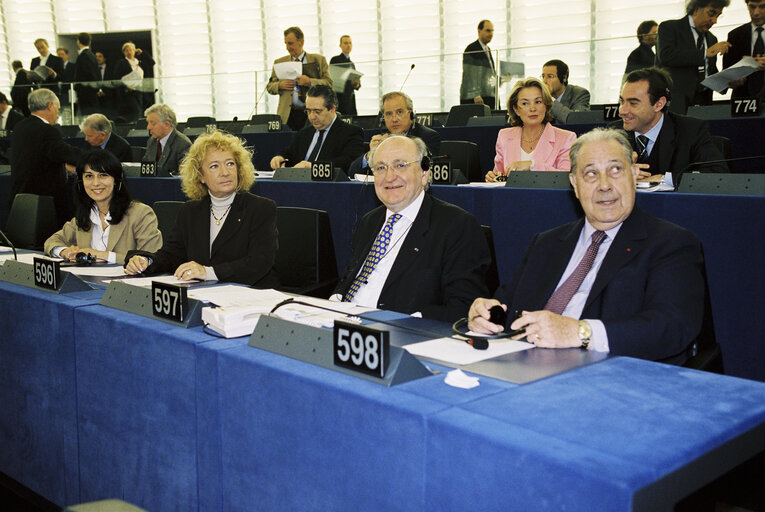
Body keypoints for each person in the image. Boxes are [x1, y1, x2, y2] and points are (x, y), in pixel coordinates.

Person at [468, 128, 705, 365]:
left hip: (611, 375)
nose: (604, 185)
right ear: (574, 183)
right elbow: (507, 303)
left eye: (615, 170)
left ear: (634, 175)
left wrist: (579, 332)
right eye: (591, 173)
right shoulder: (547, 242)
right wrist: (485, 312)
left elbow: (672, 326)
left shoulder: (671, 243)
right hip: (526, 366)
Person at [333, 135, 490, 323]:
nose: (389, 177)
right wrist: (333, 302)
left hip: (400, 333)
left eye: (400, 165)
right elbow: (351, 279)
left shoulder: (457, 226)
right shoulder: (369, 221)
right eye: (381, 168)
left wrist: (406, 323)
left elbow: (465, 306)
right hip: (342, 323)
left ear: (424, 174)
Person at [125, 131, 279, 287]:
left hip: (251, 293)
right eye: (214, 166)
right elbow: (172, 255)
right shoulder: (190, 211)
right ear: (200, 176)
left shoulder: (261, 208)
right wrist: (146, 261)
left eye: (230, 163)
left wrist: (208, 272)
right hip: (204, 292)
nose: (225, 172)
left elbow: (259, 262)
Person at [44, 149, 162, 264]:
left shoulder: (140, 214)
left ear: (116, 180)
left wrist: (104, 255)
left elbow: (151, 258)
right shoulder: (86, 214)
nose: (95, 183)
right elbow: (52, 241)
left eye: (103, 175)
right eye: (89, 176)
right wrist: (65, 251)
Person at [615, 67, 727, 177]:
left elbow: (718, 173)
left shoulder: (691, 131)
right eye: (622, 101)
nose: (622, 110)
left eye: (633, 103)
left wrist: (665, 180)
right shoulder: (613, 134)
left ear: (659, 104)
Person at [9, 88, 81, 228]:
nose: (57, 114)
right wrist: (94, 158)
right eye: (58, 109)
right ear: (49, 105)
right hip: (44, 204)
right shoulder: (47, 130)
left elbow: (38, 155)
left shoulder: (19, 127)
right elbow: (64, 152)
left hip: (21, 200)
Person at [486, 77, 576, 182]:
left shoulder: (566, 138)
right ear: (516, 109)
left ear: (546, 106)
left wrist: (532, 165)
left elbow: (565, 178)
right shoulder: (504, 136)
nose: (532, 108)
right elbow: (500, 174)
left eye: (538, 102)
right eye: (525, 103)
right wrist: (493, 177)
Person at [656, 0, 731, 114]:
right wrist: (704, 53)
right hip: (675, 102)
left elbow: (709, 71)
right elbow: (666, 56)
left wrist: (727, 83)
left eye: (718, 16)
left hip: (703, 102)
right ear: (696, 9)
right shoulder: (670, 28)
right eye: (711, 13)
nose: (714, 21)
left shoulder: (711, 39)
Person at [269, 85, 364, 173]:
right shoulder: (304, 133)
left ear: (332, 109)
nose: (312, 117)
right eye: (308, 111)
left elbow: (349, 162)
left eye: (317, 111)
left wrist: (314, 166)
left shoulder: (350, 132)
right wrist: (280, 158)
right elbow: (290, 153)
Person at [347, 91, 441, 176]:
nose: (394, 119)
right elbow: (351, 173)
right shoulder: (381, 138)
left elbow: (425, 171)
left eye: (399, 112)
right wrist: (370, 155)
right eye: (389, 114)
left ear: (411, 114)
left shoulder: (427, 137)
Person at [267, 27, 332, 131]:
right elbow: (270, 86)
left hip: (312, 114)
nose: (287, 47)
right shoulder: (279, 62)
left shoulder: (319, 60)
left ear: (301, 42)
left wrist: (310, 82)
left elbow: (329, 84)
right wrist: (279, 85)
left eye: (290, 43)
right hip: (288, 115)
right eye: (286, 43)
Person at [724, 0, 765, 98]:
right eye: (752, 7)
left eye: (762, 7)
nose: (756, 13)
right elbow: (726, 76)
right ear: (747, 6)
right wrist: (734, 80)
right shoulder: (735, 36)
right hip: (742, 101)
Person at [141, 103, 192, 176]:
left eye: (152, 123)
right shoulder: (151, 142)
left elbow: (184, 176)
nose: (148, 127)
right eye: (148, 123)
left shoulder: (183, 144)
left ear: (166, 125)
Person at [460, 20, 497, 109]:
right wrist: (475, 94)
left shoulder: (488, 49)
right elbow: (469, 74)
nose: (491, 34)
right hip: (476, 99)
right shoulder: (472, 49)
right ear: (479, 31)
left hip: (488, 96)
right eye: (488, 30)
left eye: (492, 31)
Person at [113, 42, 155, 122]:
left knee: (140, 111)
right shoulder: (121, 63)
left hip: (139, 91)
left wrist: (142, 54)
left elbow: (151, 63)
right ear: (124, 52)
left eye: (131, 50)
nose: (129, 52)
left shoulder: (139, 62)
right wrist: (125, 86)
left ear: (134, 51)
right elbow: (116, 78)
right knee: (134, 111)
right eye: (126, 50)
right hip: (127, 92)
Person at [329, 35, 360, 116]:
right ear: (340, 45)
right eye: (345, 43)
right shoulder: (335, 60)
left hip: (350, 100)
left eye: (350, 43)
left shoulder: (351, 63)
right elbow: (334, 79)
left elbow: (355, 85)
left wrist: (356, 83)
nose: (348, 45)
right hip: (340, 100)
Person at [74, 32, 100, 115]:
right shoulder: (92, 55)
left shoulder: (83, 56)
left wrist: (78, 89)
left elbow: (82, 75)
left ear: (78, 42)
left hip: (86, 93)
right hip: (92, 92)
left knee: (87, 117)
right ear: (89, 42)